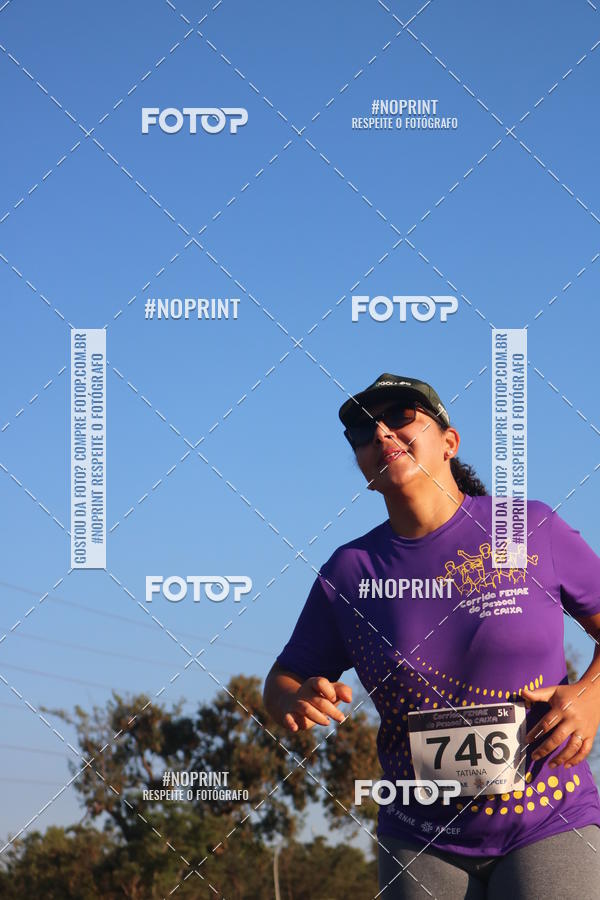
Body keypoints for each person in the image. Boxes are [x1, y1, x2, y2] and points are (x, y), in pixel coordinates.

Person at [263, 373, 600, 899]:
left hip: (548, 818)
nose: (381, 433)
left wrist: (591, 693)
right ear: (363, 466)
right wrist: (293, 698)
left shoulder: (528, 529)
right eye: (362, 431)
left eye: (401, 416)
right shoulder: (349, 573)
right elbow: (282, 679)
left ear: (449, 442)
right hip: (419, 838)